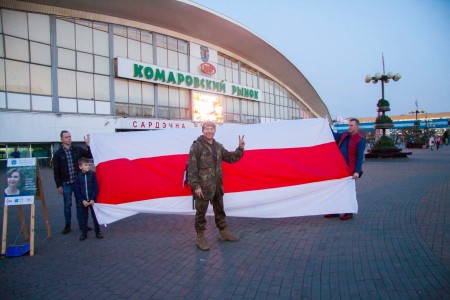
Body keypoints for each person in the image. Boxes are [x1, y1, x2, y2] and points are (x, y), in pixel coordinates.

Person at [187, 121, 245, 251]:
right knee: (201, 213)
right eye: (207, 129)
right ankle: (200, 238)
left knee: (220, 211)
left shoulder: (218, 146)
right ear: (203, 130)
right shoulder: (196, 146)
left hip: (217, 186)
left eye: (212, 129)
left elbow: (230, 158)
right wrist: (196, 186)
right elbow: (192, 168)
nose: (209, 131)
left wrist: (240, 148)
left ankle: (224, 233)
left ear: (215, 131)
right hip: (203, 187)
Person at [325, 118, 366, 221]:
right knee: (336, 189)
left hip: (350, 169)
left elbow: (360, 156)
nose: (349, 127)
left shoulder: (360, 139)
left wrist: (356, 171)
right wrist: (326, 124)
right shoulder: (345, 135)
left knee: (349, 191)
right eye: (349, 125)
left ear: (357, 127)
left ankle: (349, 212)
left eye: (351, 125)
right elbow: (333, 136)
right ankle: (335, 211)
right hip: (340, 168)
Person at [53, 130, 93, 234]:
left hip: (78, 183)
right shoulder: (58, 154)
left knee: (80, 204)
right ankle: (68, 225)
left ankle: (82, 225)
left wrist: (88, 145)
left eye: (70, 136)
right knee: (67, 204)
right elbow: (56, 171)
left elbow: (89, 155)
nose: (69, 138)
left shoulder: (77, 149)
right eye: (66, 137)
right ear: (61, 139)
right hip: (66, 183)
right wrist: (59, 185)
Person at [74, 158, 103, 241]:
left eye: (89, 165)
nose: (88, 167)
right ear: (80, 167)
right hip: (83, 202)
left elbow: (96, 188)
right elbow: (77, 190)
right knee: (84, 218)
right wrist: (82, 200)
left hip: (92, 201)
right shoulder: (78, 177)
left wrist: (93, 199)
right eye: (85, 165)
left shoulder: (92, 175)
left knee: (95, 217)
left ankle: (98, 232)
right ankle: (84, 233)